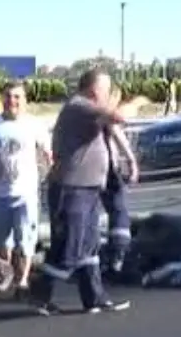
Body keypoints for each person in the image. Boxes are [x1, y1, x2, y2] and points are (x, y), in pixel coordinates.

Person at [29, 69, 131, 315]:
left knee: (89, 244)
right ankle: (40, 295)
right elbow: (119, 117)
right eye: (106, 89)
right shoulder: (79, 106)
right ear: (95, 90)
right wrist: (138, 101)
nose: (107, 94)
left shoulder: (90, 111)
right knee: (69, 245)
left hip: (90, 188)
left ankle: (94, 298)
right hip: (71, 188)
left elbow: (112, 130)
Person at [0, 81, 52, 294]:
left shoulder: (35, 125)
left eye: (17, 97)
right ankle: (5, 275)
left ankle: (22, 279)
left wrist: (52, 171)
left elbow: (48, 153)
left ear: (24, 100)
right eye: (8, 96)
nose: (12, 101)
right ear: (2, 99)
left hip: (25, 192)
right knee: (0, 239)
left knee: (26, 239)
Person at [99, 88, 140, 275]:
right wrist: (131, 161)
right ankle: (119, 255)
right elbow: (115, 131)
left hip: (92, 171)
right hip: (108, 169)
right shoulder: (106, 115)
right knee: (119, 210)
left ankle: (104, 255)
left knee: (102, 211)